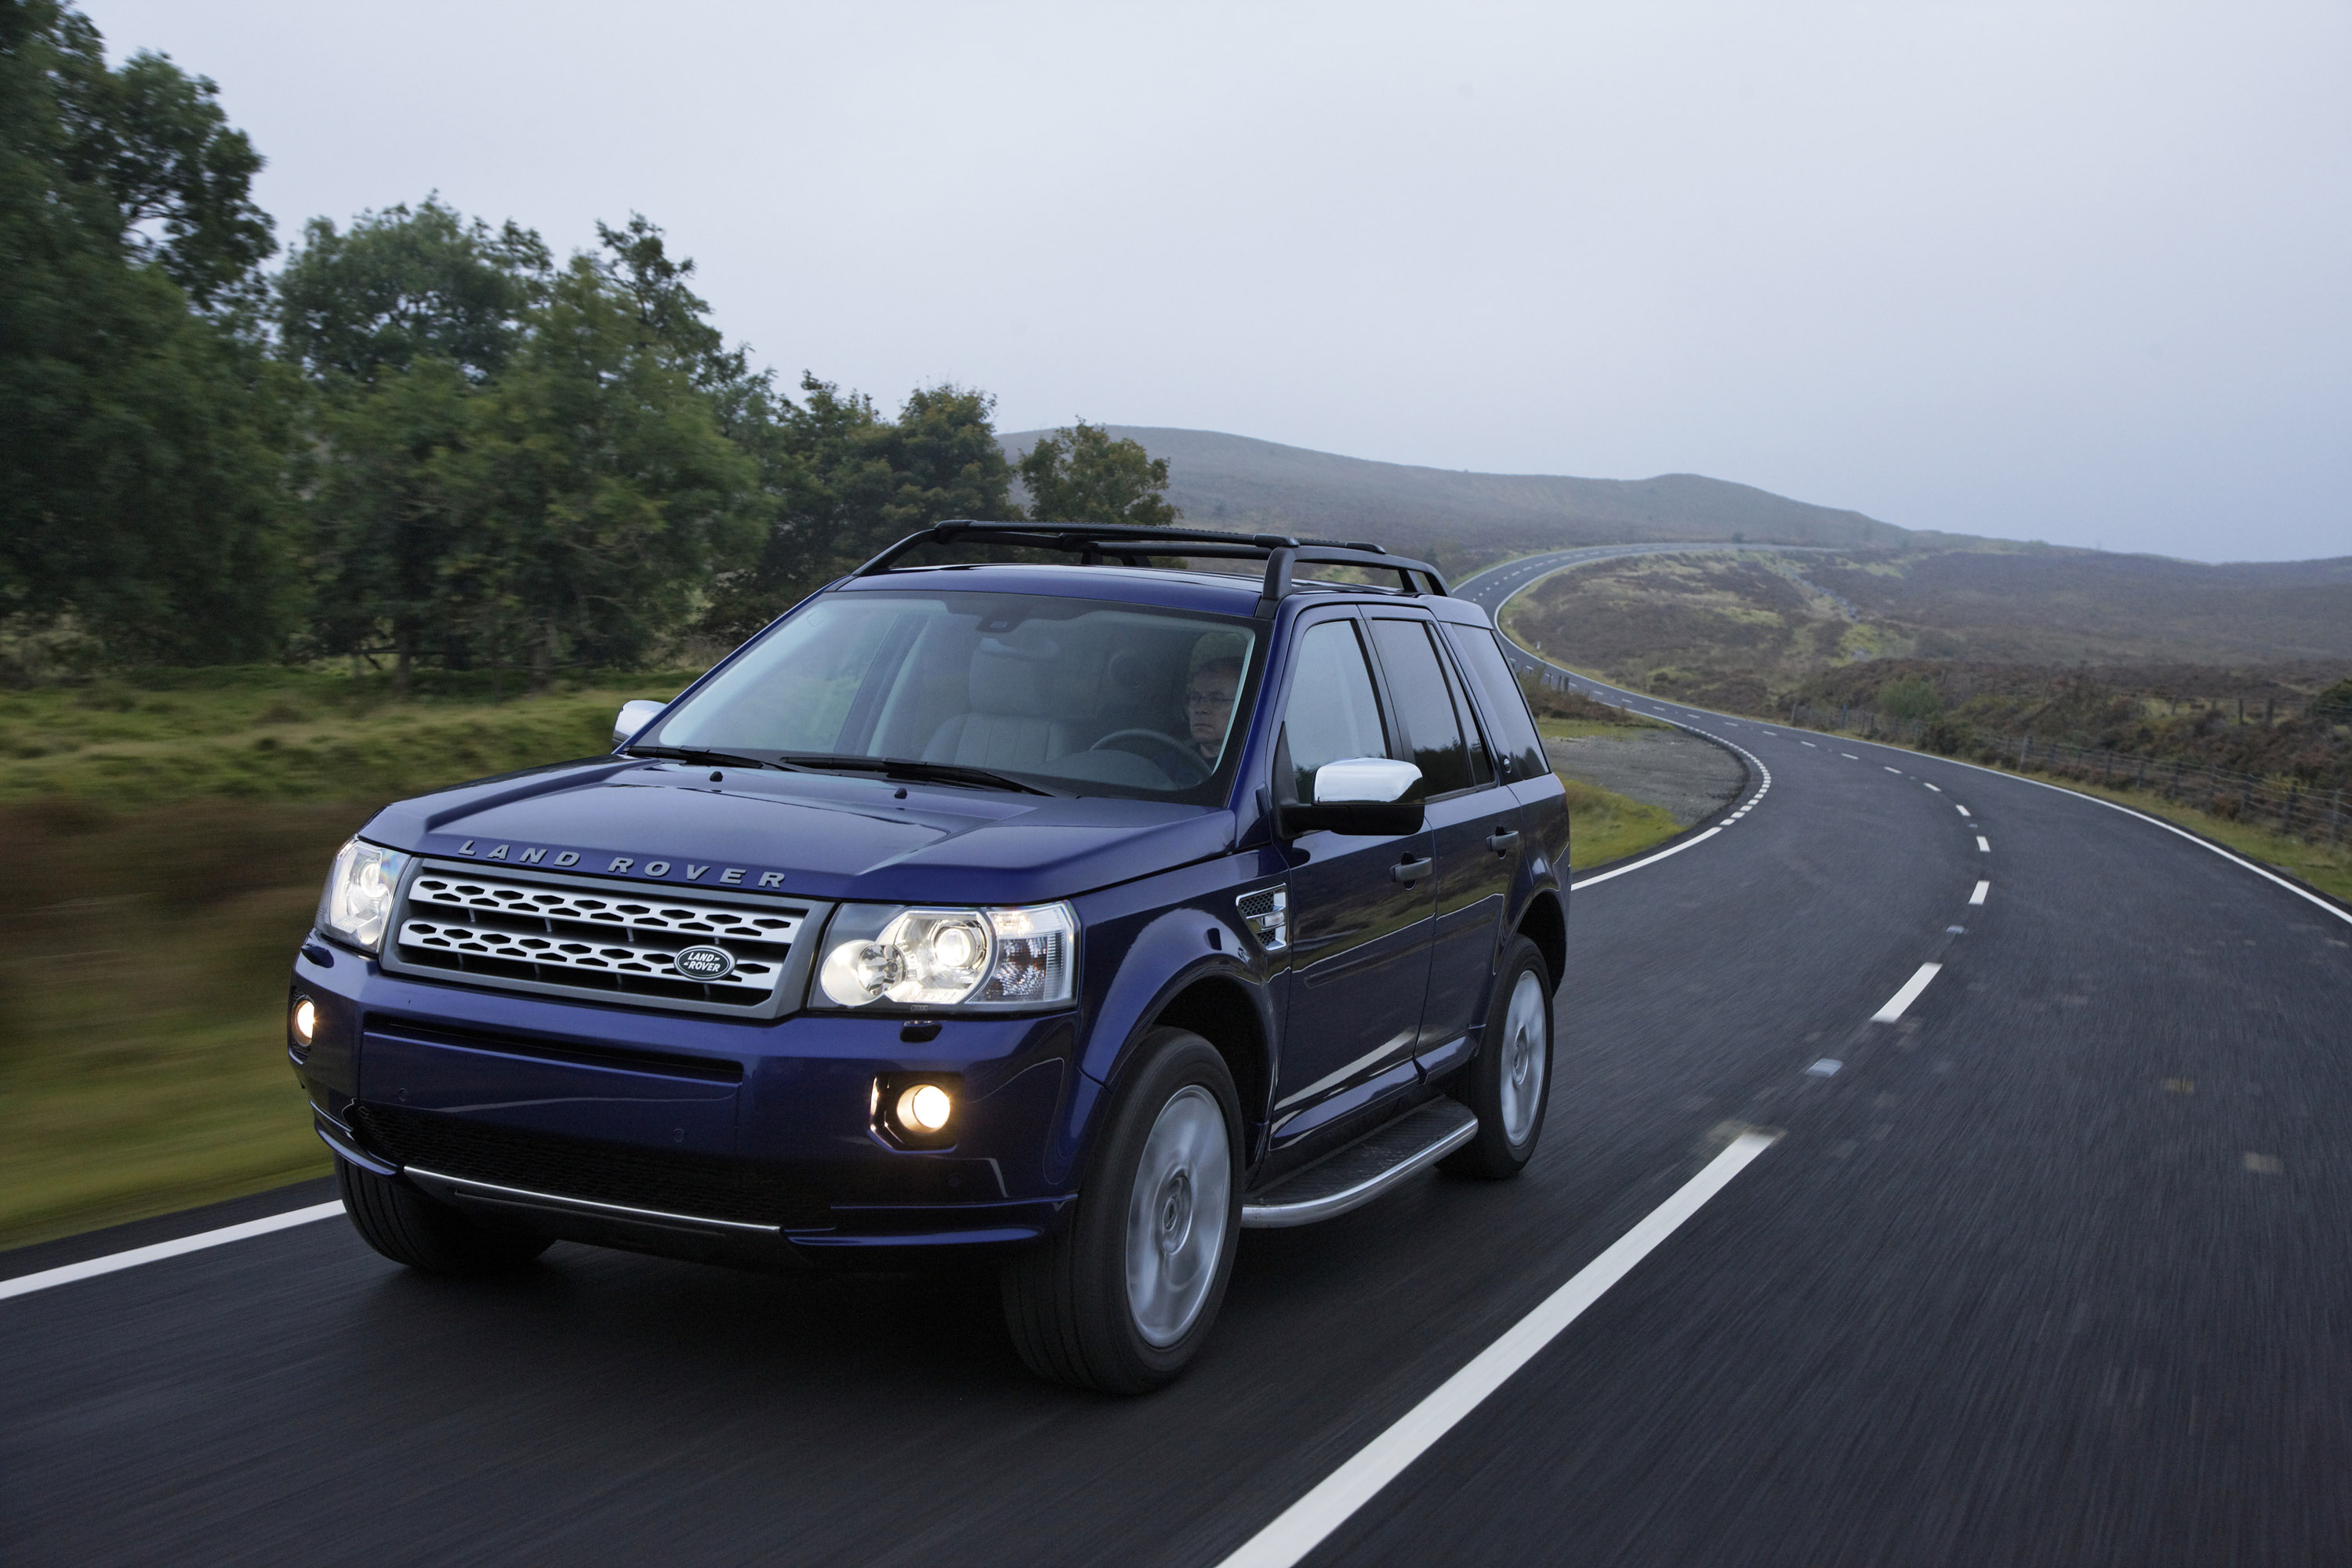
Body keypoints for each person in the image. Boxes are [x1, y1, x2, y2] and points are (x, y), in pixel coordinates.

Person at [1185, 654, 1243, 767]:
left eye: (1216, 699)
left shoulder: (1254, 768)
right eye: (1195, 698)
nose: (1200, 708)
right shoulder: (1165, 765)